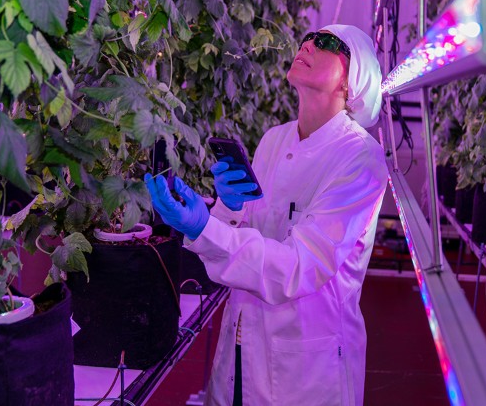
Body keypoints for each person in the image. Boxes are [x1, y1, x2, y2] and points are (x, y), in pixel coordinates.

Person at [145, 24, 388, 406]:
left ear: (350, 80)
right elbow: (239, 235)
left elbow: (298, 267)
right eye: (309, 37)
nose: (308, 44)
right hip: (242, 342)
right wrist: (227, 208)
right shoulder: (275, 138)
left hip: (305, 368)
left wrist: (203, 226)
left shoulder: (360, 158)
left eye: (326, 43)